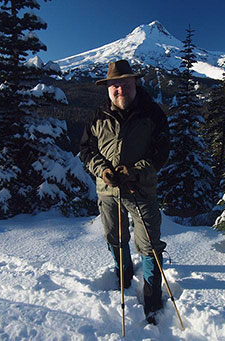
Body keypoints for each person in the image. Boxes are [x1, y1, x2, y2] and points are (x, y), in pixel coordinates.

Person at [79, 59, 170, 323]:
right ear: (108, 88)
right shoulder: (97, 116)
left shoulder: (152, 114)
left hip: (141, 190)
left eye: (125, 85)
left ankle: (152, 300)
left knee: (150, 244)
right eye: (115, 86)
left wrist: (136, 171)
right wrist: (102, 170)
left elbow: (161, 152)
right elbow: (86, 150)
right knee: (115, 237)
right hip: (108, 192)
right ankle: (124, 276)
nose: (120, 90)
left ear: (135, 83)